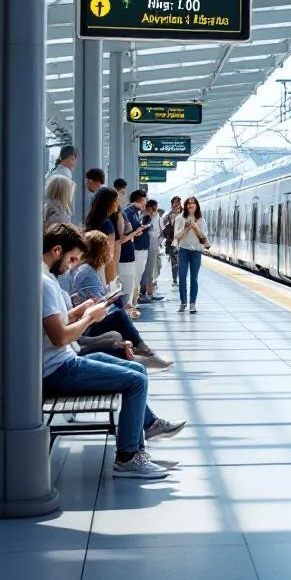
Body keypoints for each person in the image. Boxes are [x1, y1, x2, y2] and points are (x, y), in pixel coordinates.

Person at [39, 223, 185, 479]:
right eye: (71, 258)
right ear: (56, 250)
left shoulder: (46, 280)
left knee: (138, 368)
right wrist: (89, 319)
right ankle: (128, 458)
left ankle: (137, 450)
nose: (72, 265)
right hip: (58, 369)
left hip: (62, 362)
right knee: (136, 381)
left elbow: (55, 323)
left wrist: (80, 311)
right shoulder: (45, 284)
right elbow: (59, 336)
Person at [61, 229, 172, 370]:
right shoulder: (87, 272)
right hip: (85, 326)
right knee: (119, 315)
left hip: (84, 323)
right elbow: (94, 305)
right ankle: (143, 350)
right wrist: (111, 300)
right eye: (107, 248)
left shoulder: (88, 270)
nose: (111, 251)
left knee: (119, 317)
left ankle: (140, 351)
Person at [85, 187, 138, 318]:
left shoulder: (92, 220)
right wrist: (113, 287)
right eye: (116, 200)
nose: (118, 203)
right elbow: (109, 257)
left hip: (91, 268)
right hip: (104, 271)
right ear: (110, 202)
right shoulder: (108, 224)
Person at [173, 196, 208, 314]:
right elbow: (176, 236)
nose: (190, 205)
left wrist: (196, 227)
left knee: (194, 278)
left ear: (197, 206)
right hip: (183, 250)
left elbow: (204, 236)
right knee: (182, 276)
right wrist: (186, 229)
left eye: (192, 204)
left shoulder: (201, 220)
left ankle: (192, 303)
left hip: (196, 251)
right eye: (188, 204)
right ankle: (183, 302)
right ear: (185, 206)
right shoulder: (179, 218)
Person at [122, 190, 151, 311]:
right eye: (144, 200)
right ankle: (130, 303)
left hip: (136, 248)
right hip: (132, 250)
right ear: (139, 199)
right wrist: (138, 230)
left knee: (136, 276)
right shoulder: (128, 212)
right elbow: (124, 233)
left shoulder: (134, 213)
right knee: (133, 277)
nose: (145, 203)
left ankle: (132, 302)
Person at [140, 200, 165, 302]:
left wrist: (159, 240)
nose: (154, 211)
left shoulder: (157, 217)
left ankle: (149, 293)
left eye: (155, 209)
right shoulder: (145, 217)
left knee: (151, 271)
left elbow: (162, 231)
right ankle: (143, 294)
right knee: (146, 271)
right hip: (147, 247)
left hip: (153, 247)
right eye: (153, 209)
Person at [164, 197, 181, 287]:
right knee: (174, 262)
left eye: (178, 203)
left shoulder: (184, 214)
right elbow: (163, 226)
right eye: (174, 203)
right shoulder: (168, 215)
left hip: (183, 241)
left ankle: (180, 277)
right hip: (171, 241)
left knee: (181, 261)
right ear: (171, 205)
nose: (176, 205)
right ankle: (175, 279)